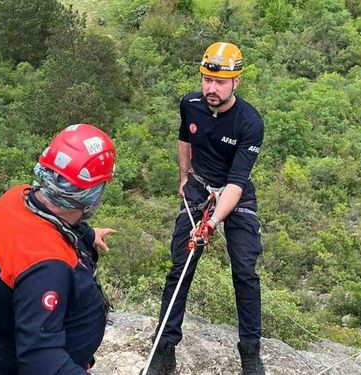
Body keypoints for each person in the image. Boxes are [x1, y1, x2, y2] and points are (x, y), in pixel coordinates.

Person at [144, 42, 265, 375]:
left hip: (234, 193)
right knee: (180, 266)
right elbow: (185, 137)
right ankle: (164, 347)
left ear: (236, 82)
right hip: (198, 186)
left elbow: (238, 183)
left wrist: (210, 223)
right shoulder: (191, 104)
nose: (211, 88)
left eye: (220, 82)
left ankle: (250, 353)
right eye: (206, 80)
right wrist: (184, 176)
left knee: (244, 270)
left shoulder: (249, 122)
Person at [0, 124, 117, 375]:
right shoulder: (48, 268)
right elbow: (40, 360)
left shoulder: (13, 199)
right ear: (90, 193)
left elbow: (39, 225)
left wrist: (87, 234)